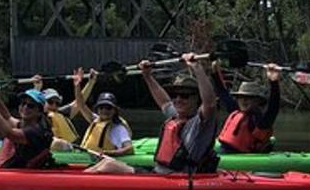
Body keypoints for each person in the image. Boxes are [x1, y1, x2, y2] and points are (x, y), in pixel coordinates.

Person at [88, 53, 219, 175]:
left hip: (179, 179)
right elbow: (164, 102)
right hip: (160, 173)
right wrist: (147, 76)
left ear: (196, 99)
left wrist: (197, 68)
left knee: (109, 166)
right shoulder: (177, 116)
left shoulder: (200, 123)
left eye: (184, 96)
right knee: (105, 162)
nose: (178, 99)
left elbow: (210, 103)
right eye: (175, 95)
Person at [215, 64, 282, 154]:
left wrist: (274, 82)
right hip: (226, 149)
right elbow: (223, 94)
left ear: (257, 101)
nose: (244, 100)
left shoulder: (259, 121)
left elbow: (273, 109)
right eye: (241, 97)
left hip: (243, 155)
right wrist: (214, 72)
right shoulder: (236, 110)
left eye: (249, 98)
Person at [69, 68, 135, 157]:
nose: (104, 110)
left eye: (108, 108)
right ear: (98, 109)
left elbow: (129, 149)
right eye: (101, 107)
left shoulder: (118, 128)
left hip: (104, 161)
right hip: (86, 160)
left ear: (115, 110)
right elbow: (81, 105)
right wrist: (77, 86)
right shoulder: (95, 120)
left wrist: (108, 153)